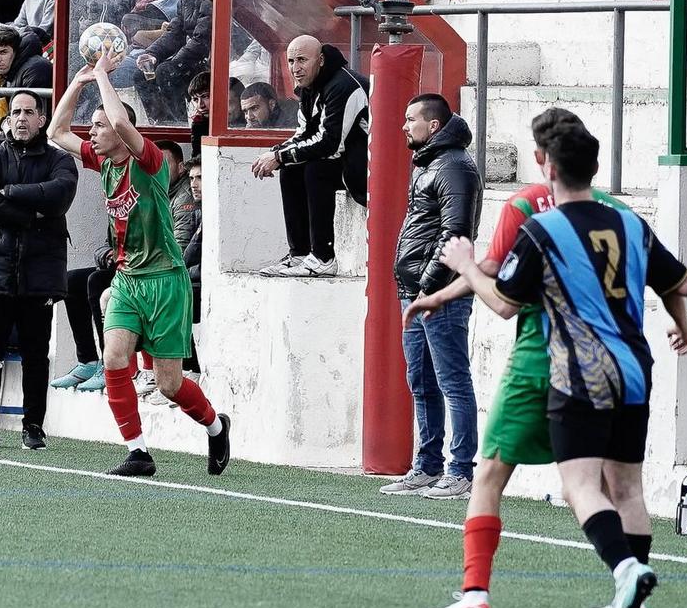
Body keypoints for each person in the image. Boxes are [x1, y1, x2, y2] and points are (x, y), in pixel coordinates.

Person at [441, 122, 687, 608]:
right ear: (597, 169)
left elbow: (503, 303)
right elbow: (685, 281)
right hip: (634, 368)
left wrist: (466, 266)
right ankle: (635, 603)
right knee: (627, 488)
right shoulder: (630, 224)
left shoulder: (541, 229)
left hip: (580, 370)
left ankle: (627, 571)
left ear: (549, 168)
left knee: (578, 486)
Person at [49, 51, 232, 478]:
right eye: (92, 126)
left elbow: (124, 124)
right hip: (129, 280)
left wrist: (102, 78)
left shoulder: (146, 163)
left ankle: (217, 426)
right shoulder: (103, 162)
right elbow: (58, 131)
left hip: (167, 282)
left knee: (170, 385)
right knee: (113, 358)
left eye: (98, 126)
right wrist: (78, 84)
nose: (91, 133)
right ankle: (138, 451)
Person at [0, 89, 79, 449]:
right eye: (16, 112)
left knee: (35, 354)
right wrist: (33, 215)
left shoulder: (61, 161)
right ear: (8, 118)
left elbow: (59, 197)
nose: (22, 118)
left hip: (39, 272)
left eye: (29, 111)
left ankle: (34, 427)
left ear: (42, 119)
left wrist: (9, 192)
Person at [377, 94, 482, 498]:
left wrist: (427, 285)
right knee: (421, 381)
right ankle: (427, 465)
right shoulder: (432, 163)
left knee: (452, 380)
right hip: (415, 292)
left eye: (410, 119)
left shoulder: (453, 166)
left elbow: (455, 234)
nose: (404, 126)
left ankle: (460, 471)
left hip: (440, 295)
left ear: (433, 126)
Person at [252, 37, 367, 278]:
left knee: (316, 168)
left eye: (302, 60)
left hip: (369, 170)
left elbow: (329, 143)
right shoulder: (308, 88)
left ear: (321, 60)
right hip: (347, 161)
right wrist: (276, 153)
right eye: (291, 61)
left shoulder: (344, 86)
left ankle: (323, 257)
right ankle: (301, 254)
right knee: (291, 168)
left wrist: (280, 156)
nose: (295, 68)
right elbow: (304, 133)